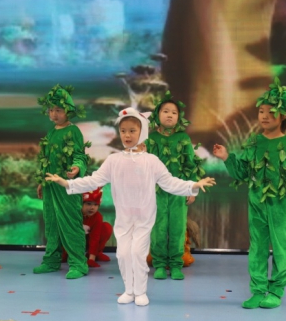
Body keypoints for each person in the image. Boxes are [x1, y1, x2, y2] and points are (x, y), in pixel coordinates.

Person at [45, 107, 216, 306]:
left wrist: (193, 186)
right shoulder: (114, 160)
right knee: (123, 253)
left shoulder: (151, 161)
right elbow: (94, 180)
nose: (127, 135)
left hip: (144, 218)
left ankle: (140, 291)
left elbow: (169, 182)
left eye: (132, 131)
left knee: (137, 253)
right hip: (124, 218)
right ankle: (129, 290)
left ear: (141, 132)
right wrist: (68, 184)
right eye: (123, 131)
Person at [212, 77, 286, 309]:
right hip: (256, 202)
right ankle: (258, 290)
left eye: (270, 112)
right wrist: (227, 157)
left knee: (280, 248)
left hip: (281, 204)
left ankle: (276, 291)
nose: (264, 116)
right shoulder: (254, 142)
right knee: (257, 248)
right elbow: (242, 173)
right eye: (261, 112)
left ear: (283, 115)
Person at [147, 91, 204, 280]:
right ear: (157, 115)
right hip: (157, 192)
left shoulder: (183, 138)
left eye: (174, 112)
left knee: (178, 228)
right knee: (158, 227)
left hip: (178, 191)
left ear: (179, 117)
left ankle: (176, 264)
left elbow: (190, 165)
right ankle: (159, 264)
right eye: (165, 111)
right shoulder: (151, 139)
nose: (170, 115)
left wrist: (192, 189)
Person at [34, 85, 89, 279]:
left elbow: (80, 155)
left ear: (68, 110)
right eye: (51, 110)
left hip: (67, 185)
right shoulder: (51, 132)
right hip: (50, 186)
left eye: (58, 110)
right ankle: (51, 260)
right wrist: (42, 181)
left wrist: (77, 167)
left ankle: (78, 263)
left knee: (70, 222)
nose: (54, 114)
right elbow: (46, 160)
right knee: (52, 223)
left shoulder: (73, 131)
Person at [63, 187, 113, 268]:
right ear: (81, 203)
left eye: (96, 205)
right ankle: (67, 253)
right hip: (72, 243)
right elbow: (68, 235)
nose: (92, 207)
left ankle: (95, 253)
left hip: (87, 241)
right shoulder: (74, 214)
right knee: (63, 257)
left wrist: (91, 259)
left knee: (106, 227)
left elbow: (95, 237)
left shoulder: (97, 217)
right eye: (89, 204)